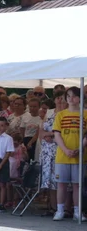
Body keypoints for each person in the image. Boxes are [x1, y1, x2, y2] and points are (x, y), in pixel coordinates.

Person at [52, 86, 83, 221]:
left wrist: (79, 148)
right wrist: (65, 149)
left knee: (77, 184)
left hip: (80, 156)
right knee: (61, 184)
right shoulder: (61, 115)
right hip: (62, 155)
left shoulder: (85, 114)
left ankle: (77, 211)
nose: (71, 99)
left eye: (74, 96)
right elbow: (57, 135)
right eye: (68, 96)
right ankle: (60, 210)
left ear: (80, 98)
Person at [38, 98, 59, 214]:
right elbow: (41, 132)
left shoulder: (64, 114)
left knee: (58, 179)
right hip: (46, 150)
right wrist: (45, 135)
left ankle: (63, 207)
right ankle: (52, 206)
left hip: (58, 149)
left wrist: (51, 134)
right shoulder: (49, 114)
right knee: (49, 180)